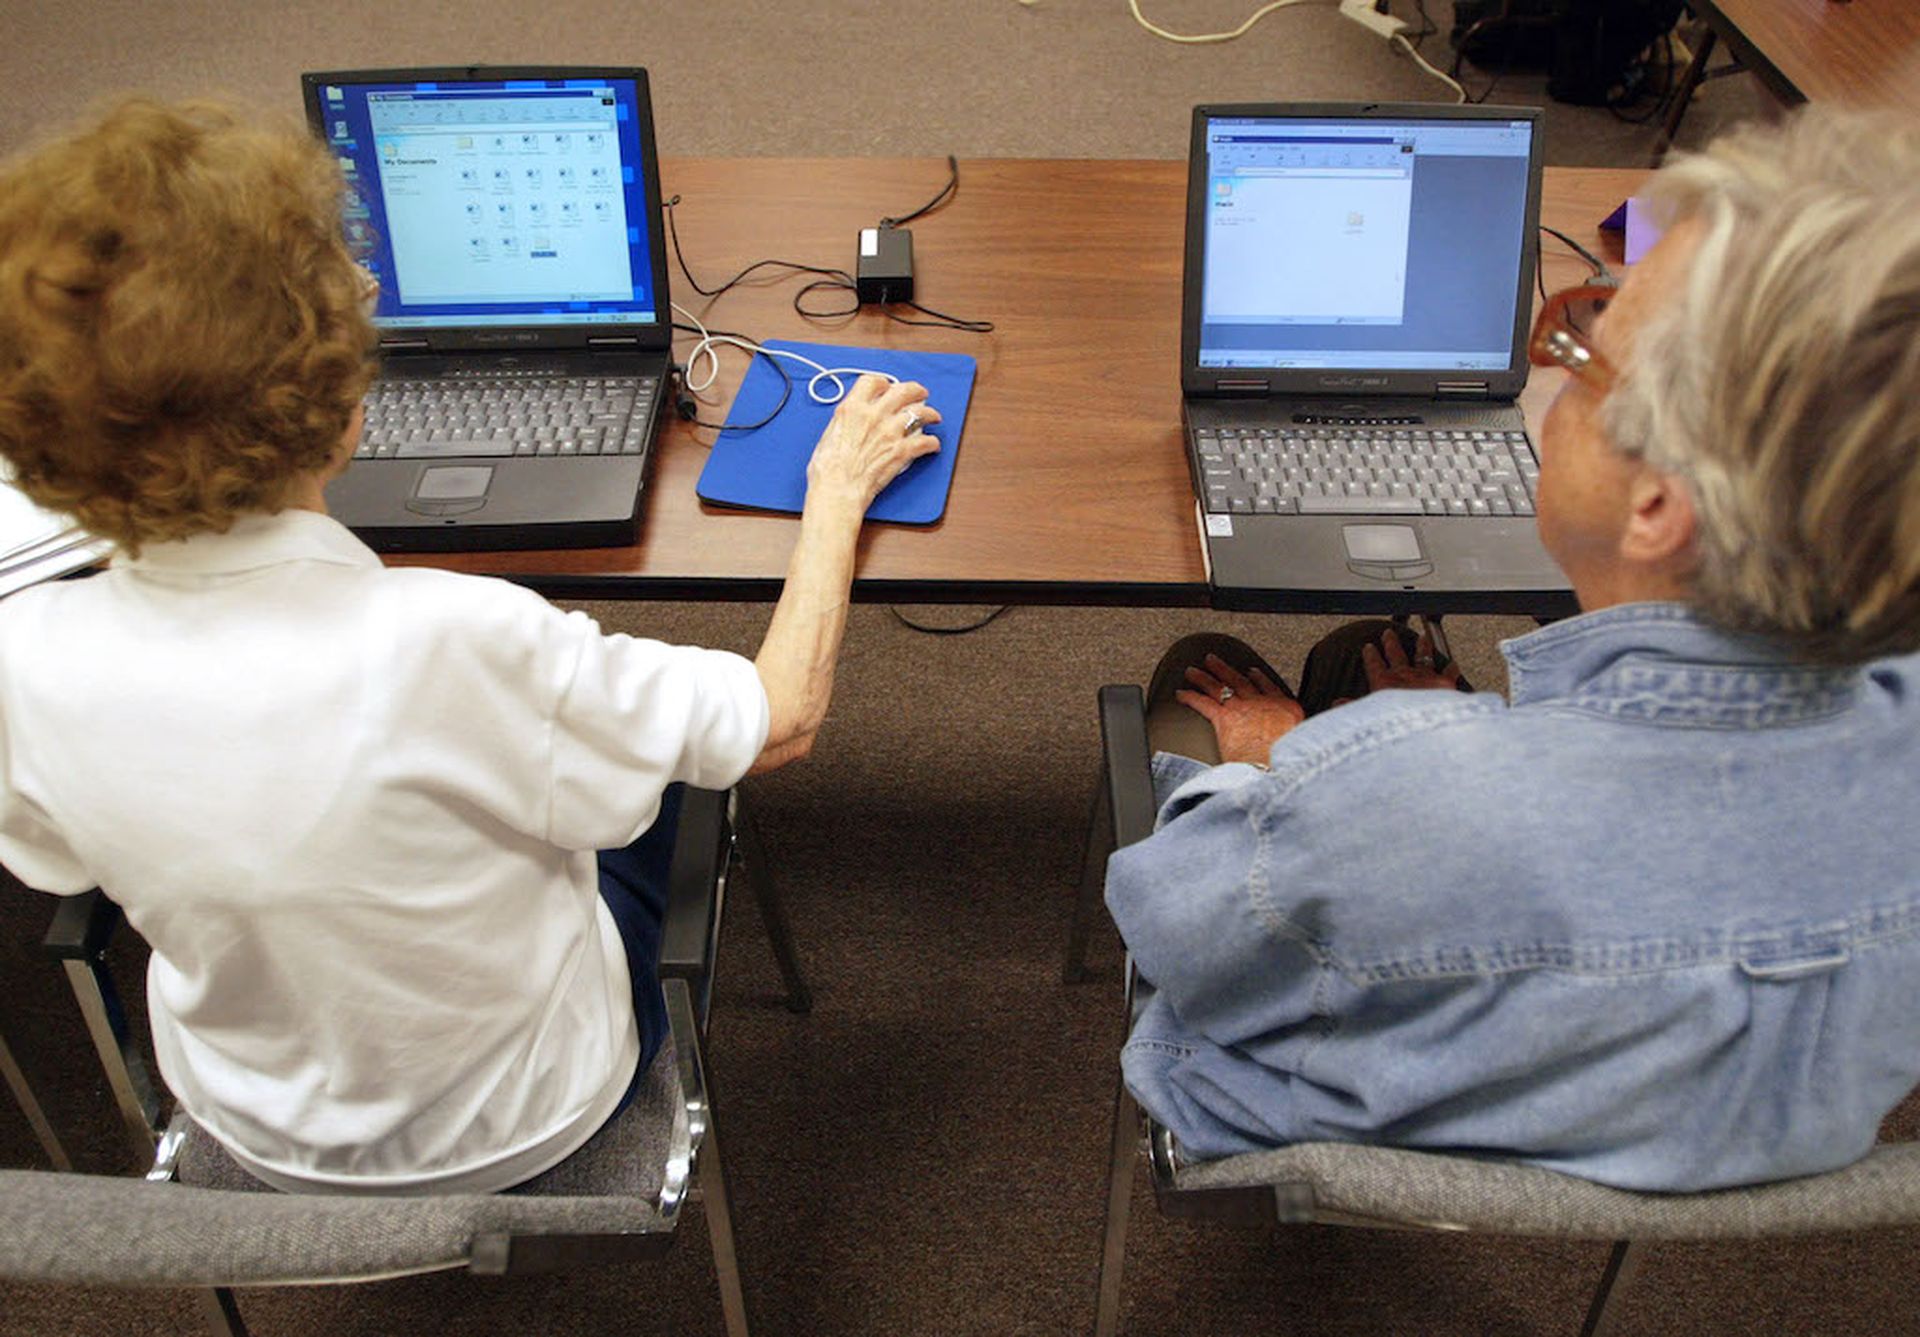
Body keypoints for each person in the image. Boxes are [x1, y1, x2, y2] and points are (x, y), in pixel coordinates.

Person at [0, 99, 940, 1194]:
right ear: (344, 402)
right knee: (672, 776)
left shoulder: (24, 657)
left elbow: (61, 866)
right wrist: (834, 493)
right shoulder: (455, 639)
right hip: (528, 1115)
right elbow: (781, 718)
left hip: (251, 1128)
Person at [1106, 106, 1920, 1192]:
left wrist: (1283, 761)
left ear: (1657, 506)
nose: (1551, 372)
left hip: (1346, 1116)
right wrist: (1438, 735)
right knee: (1372, 653)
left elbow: (1175, 934)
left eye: (1583, 355)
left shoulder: (1397, 783)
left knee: (1200, 670)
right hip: (1731, 1143)